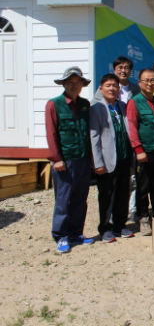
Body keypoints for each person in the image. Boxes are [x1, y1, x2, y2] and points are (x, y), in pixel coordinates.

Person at [45, 66, 94, 253]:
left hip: (82, 159)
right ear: (64, 84)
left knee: (80, 199)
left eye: (78, 82)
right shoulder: (54, 104)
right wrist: (56, 158)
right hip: (65, 161)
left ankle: (75, 233)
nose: (74, 85)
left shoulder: (84, 104)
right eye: (71, 82)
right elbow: (51, 134)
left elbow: (88, 133)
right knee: (63, 200)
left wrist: (90, 158)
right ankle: (61, 236)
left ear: (82, 84)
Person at [90, 74, 134, 243]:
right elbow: (94, 137)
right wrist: (97, 162)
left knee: (123, 194)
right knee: (107, 195)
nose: (111, 88)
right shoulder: (96, 108)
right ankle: (105, 228)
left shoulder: (122, 106)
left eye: (114, 86)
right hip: (107, 160)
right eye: (108, 85)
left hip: (123, 157)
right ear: (101, 89)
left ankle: (119, 225)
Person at [126, 69, 154, 236]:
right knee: (143, 186)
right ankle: (143, 216)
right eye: (146, 80)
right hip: (144, 152)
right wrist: (138, 149)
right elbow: (132, 127)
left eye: (153, 80)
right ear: (140, 83)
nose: (150, 83)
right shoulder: (134, 102)